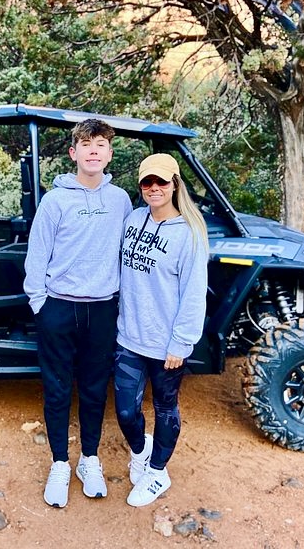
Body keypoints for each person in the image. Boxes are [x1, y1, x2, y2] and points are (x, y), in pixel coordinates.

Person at [24, 118, 133, 508]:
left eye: (100, 144)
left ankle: (89, 459)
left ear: (108, 154)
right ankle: (58, 463)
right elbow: (36, 257)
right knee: (56, 390)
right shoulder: (55, 201)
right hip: (60, 308)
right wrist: (42, 306)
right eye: (86, 144)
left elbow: (129, 254)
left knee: (92, 390)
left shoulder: (121, 200)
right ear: (73, 153)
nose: (93, 151)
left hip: (102, 309)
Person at [114, 153, 209, 507]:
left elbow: (193, 293)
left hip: (166, 344)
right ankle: (141, 451)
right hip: (129, 337)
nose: (154, 188)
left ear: (175, 185)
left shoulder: (189, 234)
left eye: (162, 182)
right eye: (147, 182)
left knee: (165, 408)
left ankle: (157, 472)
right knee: (125, 411)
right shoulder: (133, 220)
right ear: (140, 187)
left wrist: (181, 343)